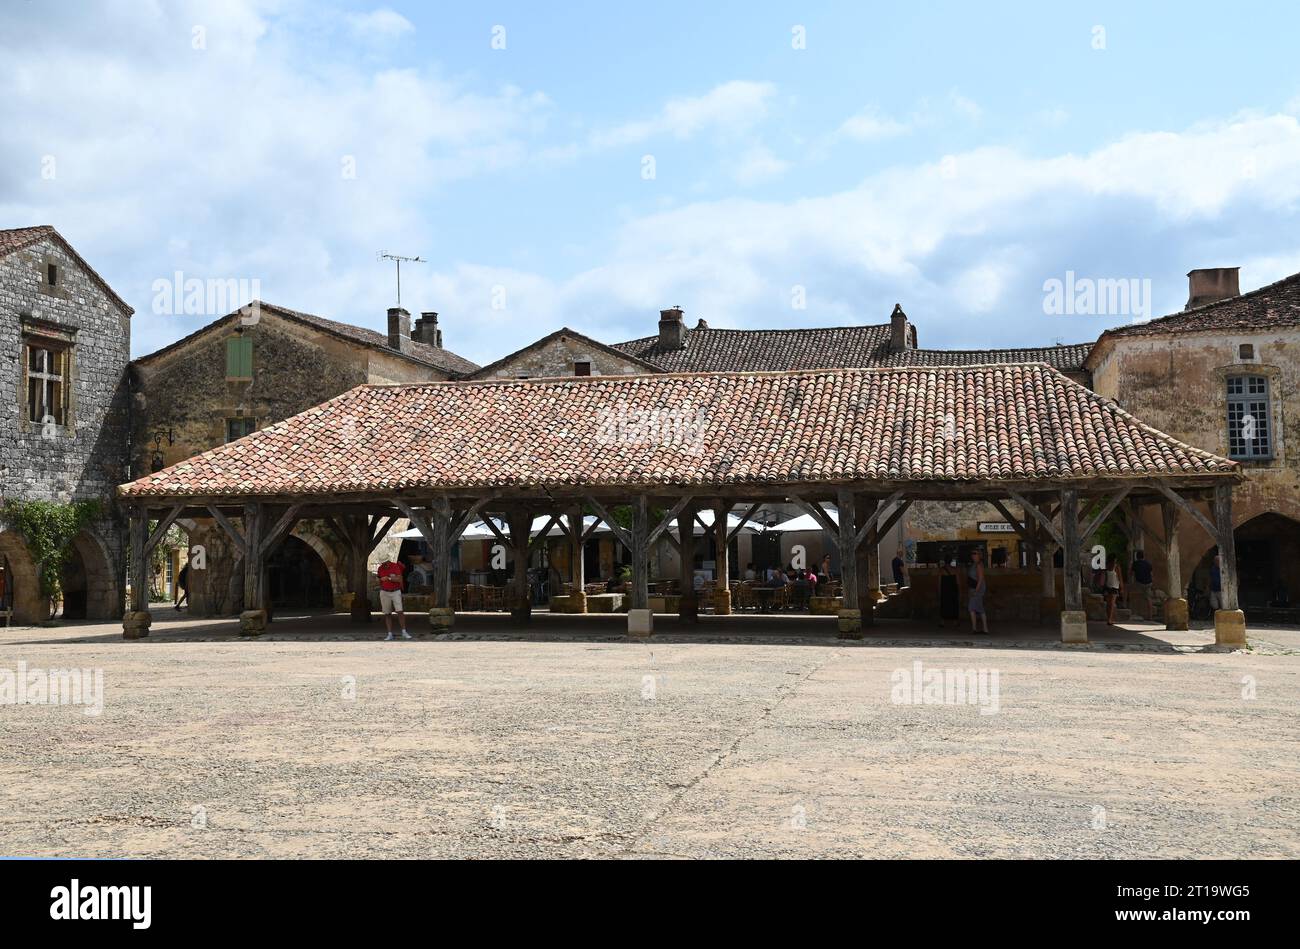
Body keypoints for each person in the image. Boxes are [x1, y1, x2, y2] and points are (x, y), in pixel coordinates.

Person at [377, 558, 411, 640]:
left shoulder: (395, 566)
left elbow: (399, 579)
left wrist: (388, 578)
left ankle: (404, 631)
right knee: (387, 613)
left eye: (385, 563)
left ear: (388, 561)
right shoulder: (380, 568)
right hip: (384, 592)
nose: (384, 565)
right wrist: (379, 580)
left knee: (400, 611)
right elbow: (378, 579)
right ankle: (389, 634)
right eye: (383, 563)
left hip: (395, 591)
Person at [967, 549, 989, 634]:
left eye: (975, 553)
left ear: (979, 555)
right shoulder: (973, 564)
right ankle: (984, 629)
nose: (973, 555)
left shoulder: (979, 565)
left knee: (971, 607)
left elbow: (980, 579)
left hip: (977, 588)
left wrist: (976, 590)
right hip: (973, 588)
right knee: (980, 608)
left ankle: (974, 629)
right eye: (972, 553)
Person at [1131, 550, 1154, 619]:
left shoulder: (1135, 563)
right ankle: (1150, 615)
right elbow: (1152, 574)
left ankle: (1135, 612)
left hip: (1139, 583)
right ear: (1143, 556)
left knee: (1134, 594)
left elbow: (1131, 573)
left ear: (1137, 557)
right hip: (1148, 583)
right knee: (1148, 599)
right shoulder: (1148, 563)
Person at [938, 556, 960, 628]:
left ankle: (942, 622)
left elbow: (939, 582)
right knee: (954, 605)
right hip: (953, 590)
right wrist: (959, 590)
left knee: (944, 605)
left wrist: (939, 591)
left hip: (945, 590)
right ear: (951, 561)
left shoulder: (941, 570)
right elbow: (958, 581)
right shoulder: (955, 570)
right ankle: (955, 622)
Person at [1104, 554, 1124, 625]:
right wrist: (1122, 588)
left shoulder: (1107, 566)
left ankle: (1108, 618)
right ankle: (1110, 619)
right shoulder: (1116, 567)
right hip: (1114, 586)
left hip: (1108, 586)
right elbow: (1120, 577)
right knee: (1112, 604)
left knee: (1108, 604)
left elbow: (1106, 577)